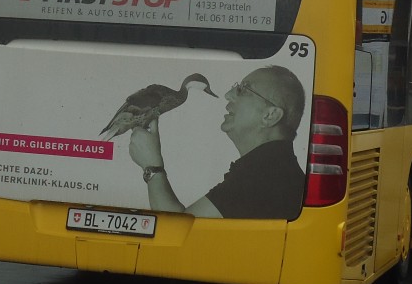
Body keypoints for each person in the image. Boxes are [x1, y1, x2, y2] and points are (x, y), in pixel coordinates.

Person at [128, 65, 306, 219]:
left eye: (244, 89)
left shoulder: (262, 177)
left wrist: (152, 166)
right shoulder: (275, 170)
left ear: (270, 115)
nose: (228, 95)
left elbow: (178, 231)